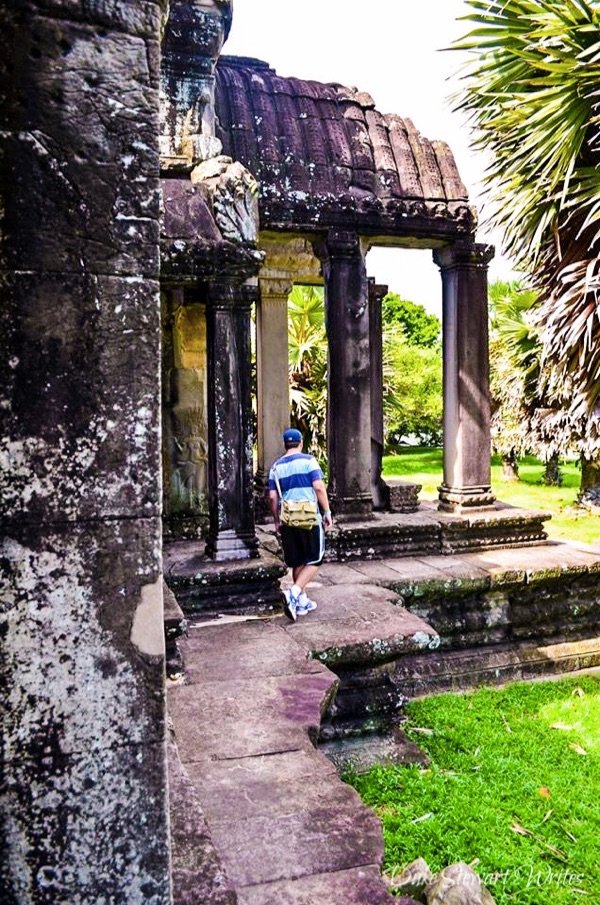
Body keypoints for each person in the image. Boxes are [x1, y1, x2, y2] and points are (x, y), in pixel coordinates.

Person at [269, 428, 333, 621]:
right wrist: (327, 511)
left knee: (298, 560)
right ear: (300, 443)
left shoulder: (275, 467)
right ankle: (294, 592)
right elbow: (319, 487)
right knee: (315, 559)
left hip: (288, 519)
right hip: (309, 517)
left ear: (285, 444)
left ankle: (301, 601)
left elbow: (272, 497)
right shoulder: (309, 461)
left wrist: (276, 520)